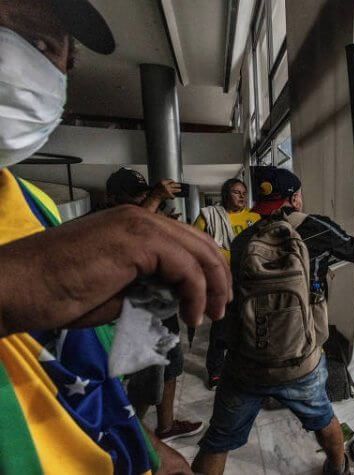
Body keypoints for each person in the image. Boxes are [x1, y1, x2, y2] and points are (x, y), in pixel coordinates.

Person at [0, 1, 231, 473]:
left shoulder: (33, 204)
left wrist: (143, 446)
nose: (7, 57)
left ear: (63, 73)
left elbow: (72, 374)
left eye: (41, 43)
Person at [192, 169, 354, 475]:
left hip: (246, 361)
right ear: (295, 197)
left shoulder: (244, 239)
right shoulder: (314, 226)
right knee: (323, 419)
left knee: (218, 440)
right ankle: (338, 467)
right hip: (299, 358)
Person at [106, 168, 204, 442]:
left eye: (143, 195)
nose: (141, 201)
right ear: (113, 197)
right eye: (135, 197)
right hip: (135, 315)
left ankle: (166, 426)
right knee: (144, 378)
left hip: (161, 309)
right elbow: (130, 236)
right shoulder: (104, 222)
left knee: (171, 367)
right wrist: (153, 201)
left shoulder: (145, 215)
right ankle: (130, 435)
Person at [193, 178, 260, 389]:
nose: (242, 196)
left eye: (244, 192)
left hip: (250, 279)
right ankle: (216, 370)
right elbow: (194, 243)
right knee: (220, 327)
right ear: (225, 195)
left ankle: (247, 367)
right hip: (222, 280)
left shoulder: (255, 217)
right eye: (236, 192)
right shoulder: (210, 216)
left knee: (250, 326)